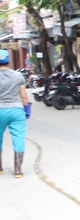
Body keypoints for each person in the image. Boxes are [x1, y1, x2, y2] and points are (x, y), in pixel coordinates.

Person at [0, 49, 31, 177]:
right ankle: (18, 170)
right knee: (18, 139)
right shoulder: (18, 76)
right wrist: (27, 109)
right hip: (16, 111)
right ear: (8, 60)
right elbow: (23, 95)